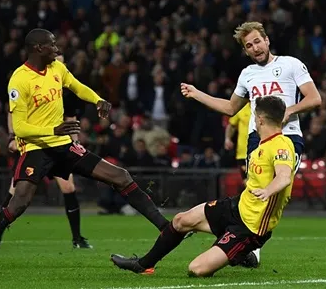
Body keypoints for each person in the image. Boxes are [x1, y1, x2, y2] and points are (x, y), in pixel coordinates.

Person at [0, 28, 169, 273]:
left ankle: (166, 228)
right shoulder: (19, 79)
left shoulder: (57, 69)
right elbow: (20, 128)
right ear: (38, 48)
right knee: (17, 205)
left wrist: (97, 100)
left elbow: (77, 86)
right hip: (36, 149)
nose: (57, 49)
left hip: (63, 147)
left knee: (121, 176)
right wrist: (54, 129)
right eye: (52, 45)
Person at [180, 21, 321, 267]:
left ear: (266, 40)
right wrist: (196, 93)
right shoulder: (248, 74)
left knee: (274, 190)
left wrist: (289, 111)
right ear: (246, 51)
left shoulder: (291, 64)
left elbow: (314, 98)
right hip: (257, 138)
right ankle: (248, 248)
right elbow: (230, 108)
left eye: (257, 41)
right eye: (249, 45)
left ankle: (247, 243)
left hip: (287, 137)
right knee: (252, 191)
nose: (255, 48)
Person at [111, 96, 297, 277]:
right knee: (180, 221)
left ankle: (240, 252)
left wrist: (267, 191)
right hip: (237, 206)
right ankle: (143, 265)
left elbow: (283, 177)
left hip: (251, 228)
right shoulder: (262, 145)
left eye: (255, 116)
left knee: (196, 269)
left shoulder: (281, 145)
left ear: (261, 119)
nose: (254, 120)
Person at [0, 55, 92, 249]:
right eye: (55, 60)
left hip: (58, 146)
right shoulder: (28, 81)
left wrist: (75, 143)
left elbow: (71, 118)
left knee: (68, 188)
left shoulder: (65, 90)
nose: (58, 64)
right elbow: (14, 113)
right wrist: (12, 137)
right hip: (34, 145)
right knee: (16, 191)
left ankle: (77, 239)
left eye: (62, 61)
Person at [224, 102, 252, 182]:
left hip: (260, 151)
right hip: (243, 153)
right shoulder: (241, 108)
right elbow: (232, 125)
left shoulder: (262, 108)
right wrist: (227, 139)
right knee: (246, 183)